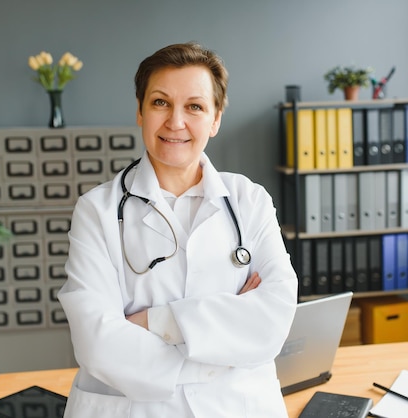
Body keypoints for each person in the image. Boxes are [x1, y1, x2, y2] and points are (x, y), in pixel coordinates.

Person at [58, 42, 298, 417]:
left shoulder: (249, 201)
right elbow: (97, 342)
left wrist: (154, 321)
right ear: (139, 111)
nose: (175, 122)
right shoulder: (97, 211)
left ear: (216, 119)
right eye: (160, 102)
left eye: (195, 106)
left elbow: (272, 321)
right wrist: (225, 339)